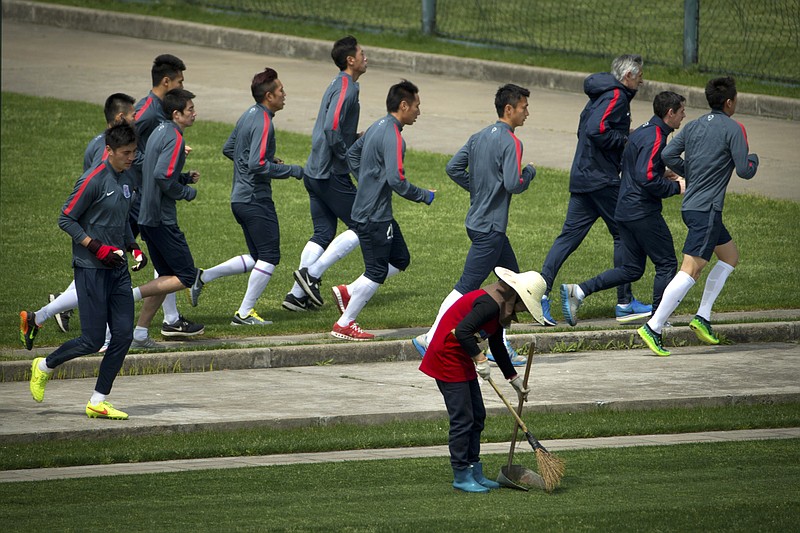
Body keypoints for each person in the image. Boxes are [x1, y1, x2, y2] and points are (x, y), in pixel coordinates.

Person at [412, 84, 540, 364]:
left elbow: (453, 168)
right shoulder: (512, 142)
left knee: (513, 283)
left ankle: (498, 344)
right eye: (524, 107)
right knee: (467, 285)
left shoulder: (479, 136)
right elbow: (512, 184)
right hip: (490, 228)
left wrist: (479, 188)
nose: (527, 113)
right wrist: (528, 172)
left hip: (478, 223)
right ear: (509, 109)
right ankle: (431, 336)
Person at [27, 123, 142, 420]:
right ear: (109, 152)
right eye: (126, 153)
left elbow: (122, 217)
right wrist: (96, 247)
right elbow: (66, 219)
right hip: (91, 268)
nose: (132, 157)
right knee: (92, 340)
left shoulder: (126, 177)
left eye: (134, 151)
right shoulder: (92, 180)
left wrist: (134, 247)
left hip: (117, 269)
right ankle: (44, 366)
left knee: (123, 335)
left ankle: (98, 400)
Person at [638, 77, 758, 356]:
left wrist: (690, 170)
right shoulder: (734, 128)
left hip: (693, 207)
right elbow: (744, 169)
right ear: (729, 102)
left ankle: (703, 316)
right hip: (707, 211)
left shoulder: (692, 126)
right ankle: (653, 326)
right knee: (691, 268)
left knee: (730, 257)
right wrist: (755, 160)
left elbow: (668, 153)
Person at [20, 93, 139, 347]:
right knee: (99, 287)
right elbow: (83, 201)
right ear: (120, 118)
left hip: (111, 226)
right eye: (133, 114)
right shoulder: (104, 154)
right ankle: (99, 338)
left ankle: (40, 316)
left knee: (98, 286)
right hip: (97, 234)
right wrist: (94, 243)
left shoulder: (109, 145)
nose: (136, 118)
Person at [539, 54, 650, 326]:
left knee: (568, 238)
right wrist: (626, 140)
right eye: (639, 76)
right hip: (602, 180)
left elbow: (588, 130)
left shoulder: (601, 95)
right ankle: (624, 303)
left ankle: (540, 295)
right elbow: (595, 130)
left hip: (583, 176)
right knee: (625, 235)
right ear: (627, 77)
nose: (642, 80)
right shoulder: (616, 97)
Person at [560, 91, 687, 326]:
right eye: (681, 112)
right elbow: (646, 178)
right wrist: (676, 188)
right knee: (666, 263)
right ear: (670, 113)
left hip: (624, 209)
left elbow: (635, 167)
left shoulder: (643, 131)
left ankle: (578, 291)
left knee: (631, 269)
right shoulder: (657, 137)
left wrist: (663, 173)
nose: (683, 116)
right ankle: (658, 321)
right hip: (642, 211)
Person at [189, 68, 304, 325]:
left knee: (257, 257)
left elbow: (229, 148)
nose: (284, 94)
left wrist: (263, 158)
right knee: (270, 256)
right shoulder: (264, 121)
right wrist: (292, 170)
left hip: (239, 199)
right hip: (255, 199)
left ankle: (203, 277)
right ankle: (244, 313)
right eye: (280, 90)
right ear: (268, 96)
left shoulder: (248, 115)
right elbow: (256, 165)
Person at [419, 267, 544, 493]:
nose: (524, 310)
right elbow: (462, 331)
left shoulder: (500, 305)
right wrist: (480, 359)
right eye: (525, 304)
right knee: (462, 419)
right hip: (446, 357)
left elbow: (496, 344)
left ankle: (475, 469)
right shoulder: (490, 304)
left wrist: (513, 378)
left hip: (461, 357)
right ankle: (461, 474)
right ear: (517, 296)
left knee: (477, 415)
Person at [329, 80, 434, 341]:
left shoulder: (377, 126)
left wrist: (367, 179)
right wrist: (424, 196)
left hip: (375, 212)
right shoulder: (394, 137)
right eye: (417, 106)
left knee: (400, 259)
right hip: (375, 216)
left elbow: (352, 155)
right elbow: (397, 180)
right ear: (403, 105)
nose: (419, 112)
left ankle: (348, 291)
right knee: (375, 271)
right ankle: (345, 323)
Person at [284, 36, 368, 312]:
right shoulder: (348, 87)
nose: (366, 57)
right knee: (362, 224)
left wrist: (355, 137)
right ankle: (312, 275)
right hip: (331, 172)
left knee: (322, 232)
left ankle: (297, 296)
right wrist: (346, 154)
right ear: (350, 60)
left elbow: (333, 127)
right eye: (362, 54)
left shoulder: (337, 83)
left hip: (314, 170)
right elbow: (332, 127)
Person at [133, 54, 203, 342]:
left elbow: (156, 169)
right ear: (177, 114)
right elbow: (162, 176)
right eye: (190, 109)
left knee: (165, 277)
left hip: (148, 216)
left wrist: (183, 177)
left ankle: (139, 332)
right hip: (161, 218)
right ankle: (125, 296)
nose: (194, 113)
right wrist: (186, 191)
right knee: (185, 276)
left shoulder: (160, 132)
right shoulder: (175, 137)